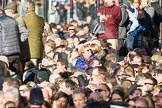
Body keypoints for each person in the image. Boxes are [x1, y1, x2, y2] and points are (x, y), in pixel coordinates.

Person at [23, 0, 45, 67]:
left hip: (30, 50)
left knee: (31, 72)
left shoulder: (24, 20)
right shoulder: (41, 19)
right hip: (40, 49)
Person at [0, 6, 21, 75]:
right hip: (16, 50)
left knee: (5, 73)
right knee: (15, 73)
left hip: (4, 53)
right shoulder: (13, 20)